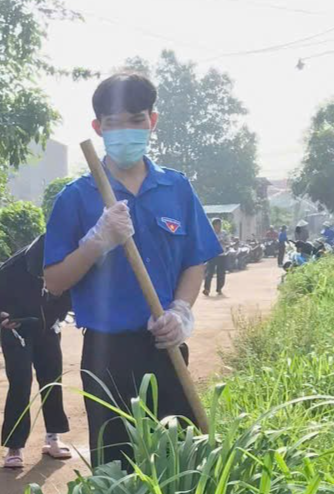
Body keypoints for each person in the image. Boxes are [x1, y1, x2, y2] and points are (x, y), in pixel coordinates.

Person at [43, 72, 221, 470]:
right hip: (108, 353)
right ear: (97, 127)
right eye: (114, 122)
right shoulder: (76, 197)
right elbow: (54, 281)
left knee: (183, 462)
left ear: (152, 121)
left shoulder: (176, 188)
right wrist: (95, 243)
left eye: (136, 119)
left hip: (166, 345)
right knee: (116, 469)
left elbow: (196, 258)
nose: (126, 130)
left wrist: (180, 311)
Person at [0, 234, 72, 469]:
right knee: (20, 383)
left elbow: (69, 294)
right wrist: (1, 317)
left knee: (52, 380)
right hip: (17, 332)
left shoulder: (63, 262)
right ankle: (15, 446)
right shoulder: (10, 269)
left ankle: (53, 436)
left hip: (49, 329)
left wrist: (60, 318)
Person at [203, 217, 228, 297]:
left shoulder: (224, 233)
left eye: (220, 224)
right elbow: (206, 242)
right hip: (212, 255)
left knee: (221, 273)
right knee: (209, 272)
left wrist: (223, 241)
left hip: (222, 255)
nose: (219, 226)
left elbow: (228, 242)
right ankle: (206, 289)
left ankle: (219, 288)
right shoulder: (210, 233)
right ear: (213, 225)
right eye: (217, 224)